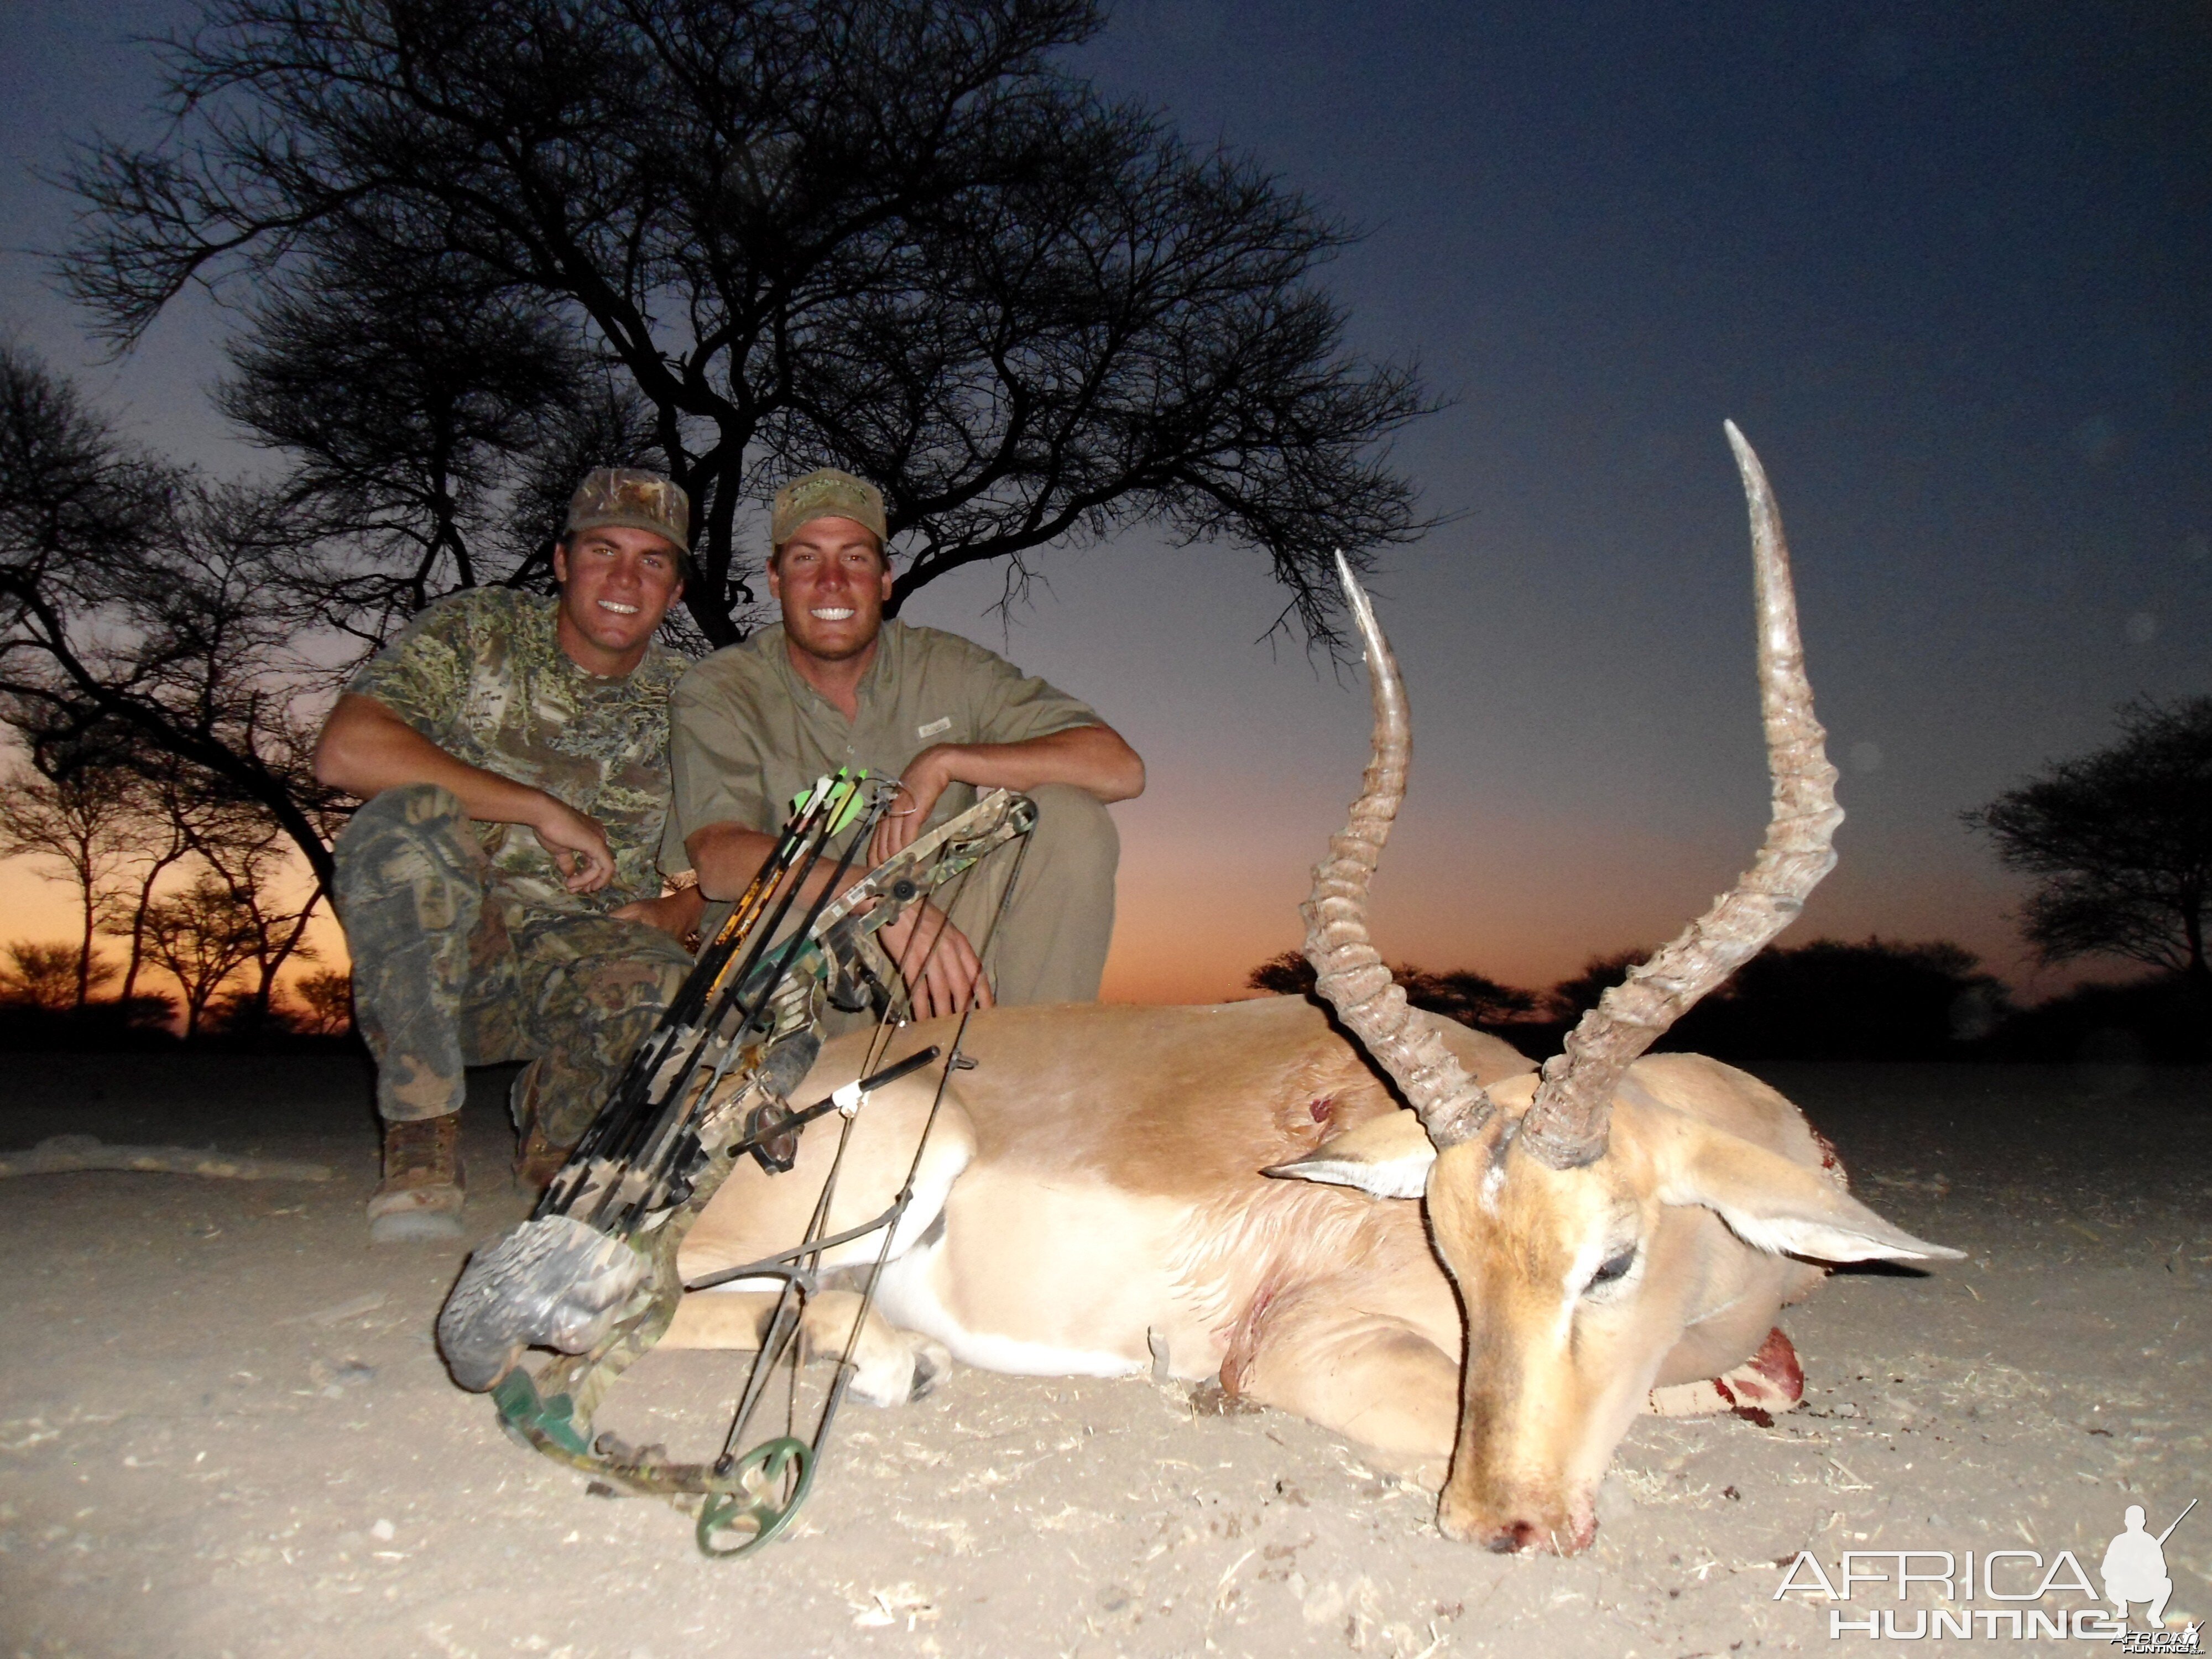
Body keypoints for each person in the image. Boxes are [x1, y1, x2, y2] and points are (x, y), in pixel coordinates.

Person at [316, 469, 704, 1242]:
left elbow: (724, 850)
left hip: (578, 964)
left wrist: (679, 910)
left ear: (678, 589)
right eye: (603, 550)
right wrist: (540, 808)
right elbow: (345, 751)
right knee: (403, 823)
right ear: (563, 563)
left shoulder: (693, 698)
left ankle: (562, 1127)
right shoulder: (478, 630)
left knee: (669, 980)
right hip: (451, 965)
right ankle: (421, 1133)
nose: (625, 578)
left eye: (654, 560)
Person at [669, 467, 1143, 1020]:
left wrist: (947, 759)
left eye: (855, 557)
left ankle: (1037, 1062)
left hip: (946, 945)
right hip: (804, 952)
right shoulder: (718, 688)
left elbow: (1119, 770)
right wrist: (878, 896)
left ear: (886, 578)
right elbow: (718, 857)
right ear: (774, 578)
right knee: (785, 921)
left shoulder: (947, 665)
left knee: (1069, 815)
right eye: (805, 558)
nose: (831, 580)